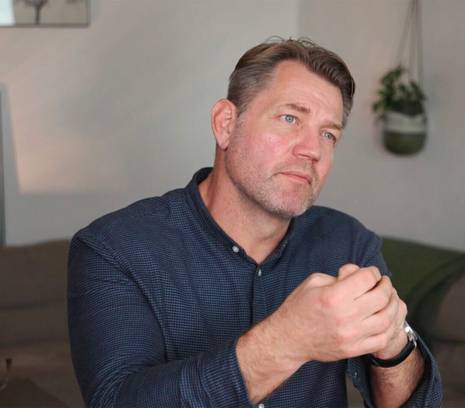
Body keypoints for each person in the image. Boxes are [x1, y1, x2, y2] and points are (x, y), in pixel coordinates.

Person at [68, 38, 442, 408]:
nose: (312, 150)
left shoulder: (348, 243)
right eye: (290, 118)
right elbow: (116, 401)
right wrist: (287, 341)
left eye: (328, 134)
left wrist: (394, 343)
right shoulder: (114, 249)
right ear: (225, 124)